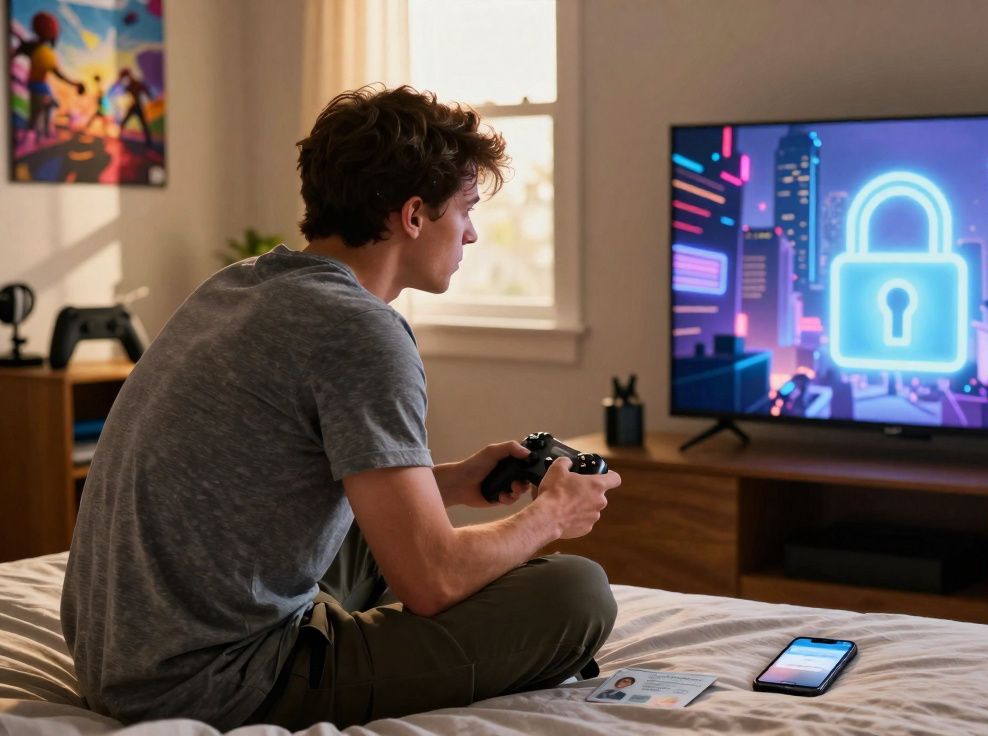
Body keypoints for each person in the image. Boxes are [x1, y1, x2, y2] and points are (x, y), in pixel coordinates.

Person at [61, 85, 622, 731]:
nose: (471, 232)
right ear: (413, 215)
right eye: (465, 209)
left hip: (117, 653)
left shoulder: (240, 285)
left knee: (376, 527)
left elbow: (276, 483)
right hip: (210, 680)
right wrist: (551, 514)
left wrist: (450, 482)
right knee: (577, 594)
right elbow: (430, 582)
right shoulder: (361, 331)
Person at [9, 11, 84, 143]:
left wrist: (74, 83)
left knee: (50, 106)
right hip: (36, 87)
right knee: (36, 115)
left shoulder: (46, 52)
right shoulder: (33, 48)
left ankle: (42, 134)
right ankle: (32, 138)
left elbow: (58, 73)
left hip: (44, 88)